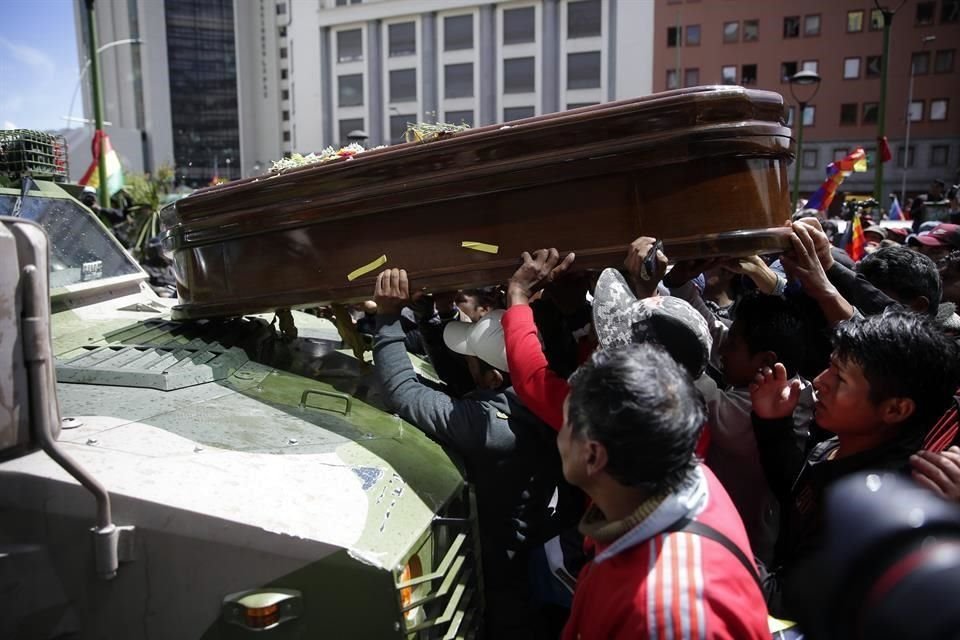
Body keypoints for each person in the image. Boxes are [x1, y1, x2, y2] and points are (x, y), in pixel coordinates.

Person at [371, 268, 563, 637]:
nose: (465, 366)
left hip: (503, 576)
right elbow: (456, 388)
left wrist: (387, 318)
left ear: (493, 379)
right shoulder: (539, 407)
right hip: (529, 552)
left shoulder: (491, 428)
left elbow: (404, 393)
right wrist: (429, 318)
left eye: (471, 361)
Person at [750, 309, 960, 618]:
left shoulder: (879, 510)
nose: (820, 381)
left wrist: (718, 544)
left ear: (895, 409)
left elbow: (790, 602)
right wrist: (774, 426)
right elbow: (798, 493)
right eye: (829, 366)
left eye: (841, 377)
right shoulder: (841, 442)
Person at [560, 345, 770, 640]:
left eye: (565, 425)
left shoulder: (667, 618)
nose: (559, 438)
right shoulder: (693, 477)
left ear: (593, 456)